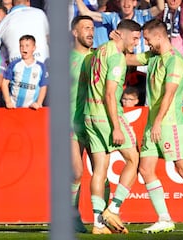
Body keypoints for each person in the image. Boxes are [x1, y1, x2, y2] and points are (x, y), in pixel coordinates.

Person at [126, 19, 183, 234]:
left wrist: (156, 123)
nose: (146, 43)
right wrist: (116, 44)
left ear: (158, 37)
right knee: (145, 169)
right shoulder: (152, 56)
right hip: (153, 123)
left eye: (147, 39)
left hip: (169, 123)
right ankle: (164, 218)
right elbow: (128, 58)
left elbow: (169, 94)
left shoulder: (174, 60)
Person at [80, 19, 141, 234]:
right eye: (134, 38)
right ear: (121, 35)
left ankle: (98, 223)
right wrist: (116, 126)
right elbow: (109, 93)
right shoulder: (117, 58)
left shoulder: (99, 52)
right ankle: (113, 208)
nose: (136, 43)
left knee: (100, 170)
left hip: (89, 114)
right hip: (107, 115)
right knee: (134, 159)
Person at [69, 15, 112, 234]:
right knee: (76, 173)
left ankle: (104, 219)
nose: (90, 32)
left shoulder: (98, 57)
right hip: (72, 124)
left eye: (92, 28)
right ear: (75, 32)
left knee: (101, 172)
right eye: (85, 28)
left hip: (95, 123)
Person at [1, 34, 48, 109]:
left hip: (31, 109)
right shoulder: (14, 64)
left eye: (27, 46)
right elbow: (4, 83)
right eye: (21, 46)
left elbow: (43, 86)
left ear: (34, 48)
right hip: (13, 107)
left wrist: (39, 103)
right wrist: (8, 101)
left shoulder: (40, 67)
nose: (23, 48)